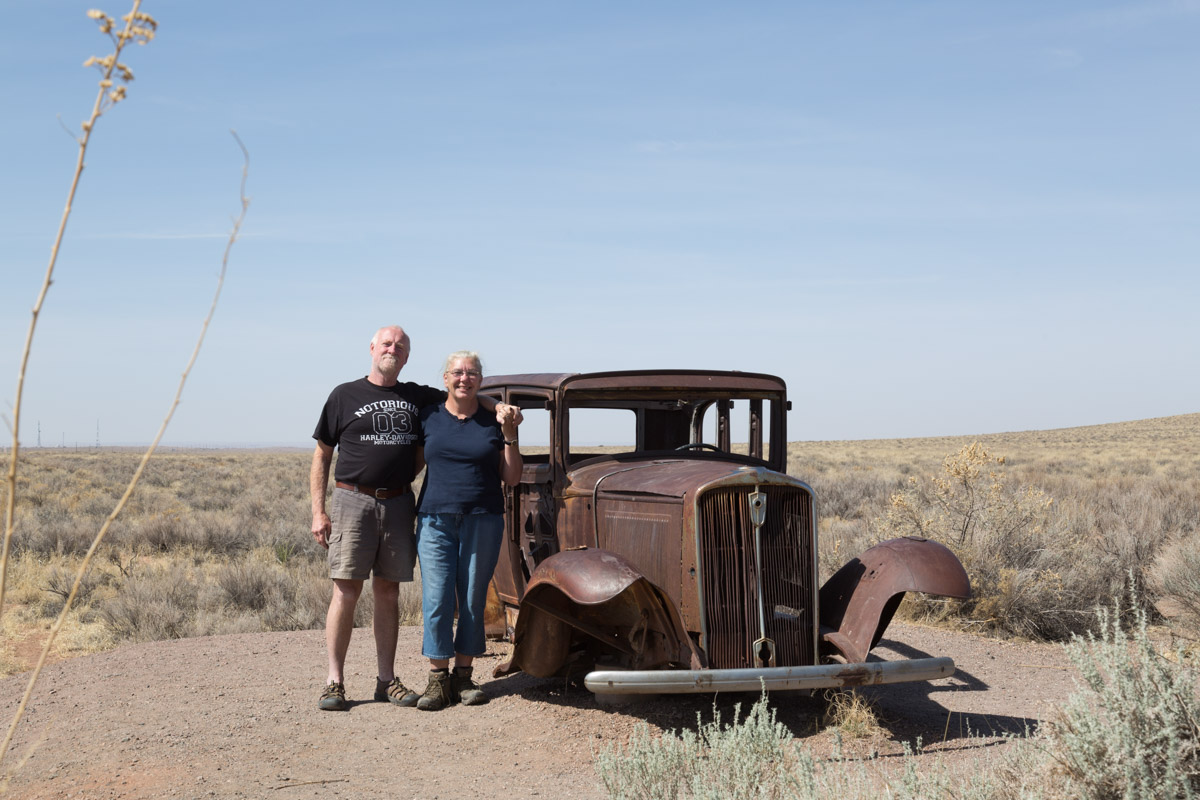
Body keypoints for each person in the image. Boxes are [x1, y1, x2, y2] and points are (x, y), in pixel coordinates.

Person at [310, 327, 514, 711]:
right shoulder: (344, 395)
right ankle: (334, 681)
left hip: (400, 502)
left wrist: (497, 407)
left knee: (388, 591)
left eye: (399, 347)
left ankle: (386, 680)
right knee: (346, 590)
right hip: (353, 500)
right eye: (386, 344)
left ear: (406, 357)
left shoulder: (419, 397)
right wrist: (319, 510)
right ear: (372, 349)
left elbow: (464, 396)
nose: (392, 350)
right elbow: (322, 454)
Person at [412, 351, 522, 710]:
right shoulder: (428, 416)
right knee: (437, 597)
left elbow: (512, 477)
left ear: (480, 379)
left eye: (472, 373)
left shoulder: (495, 421)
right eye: (457, 372)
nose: (464, 378)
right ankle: (436, 678)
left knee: (473, 597)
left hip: (483, 517)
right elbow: (411, 465)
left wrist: (509, 434)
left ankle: (463, 676)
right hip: (435, 519)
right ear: (445, 379)